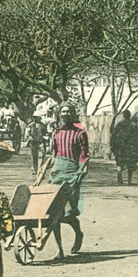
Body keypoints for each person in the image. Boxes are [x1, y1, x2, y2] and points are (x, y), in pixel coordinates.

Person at [49, 102, 87, 254]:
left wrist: (82, 170)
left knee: (68, 213)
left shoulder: (80, 132)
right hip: (57, 172)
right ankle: (60, 250)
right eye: (62, 111)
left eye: (68, 111)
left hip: (72, 172)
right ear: (59, 114)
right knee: (53, 213)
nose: (65, 114)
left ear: (72, 114)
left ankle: (78, 233)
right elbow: (53, 154)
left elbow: (84, 154)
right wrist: (47, 168)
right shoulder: (56, 132)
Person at [110, 109, 138, 185]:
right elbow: (137, 138)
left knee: (119, 163)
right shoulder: (133, 125)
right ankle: (129, 181)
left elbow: (113, 135)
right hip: (129, 149)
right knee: (130, 164)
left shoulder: (119, 125)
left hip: (120, 148)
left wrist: (113, 147)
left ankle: (119, 177)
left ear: (123, 116)